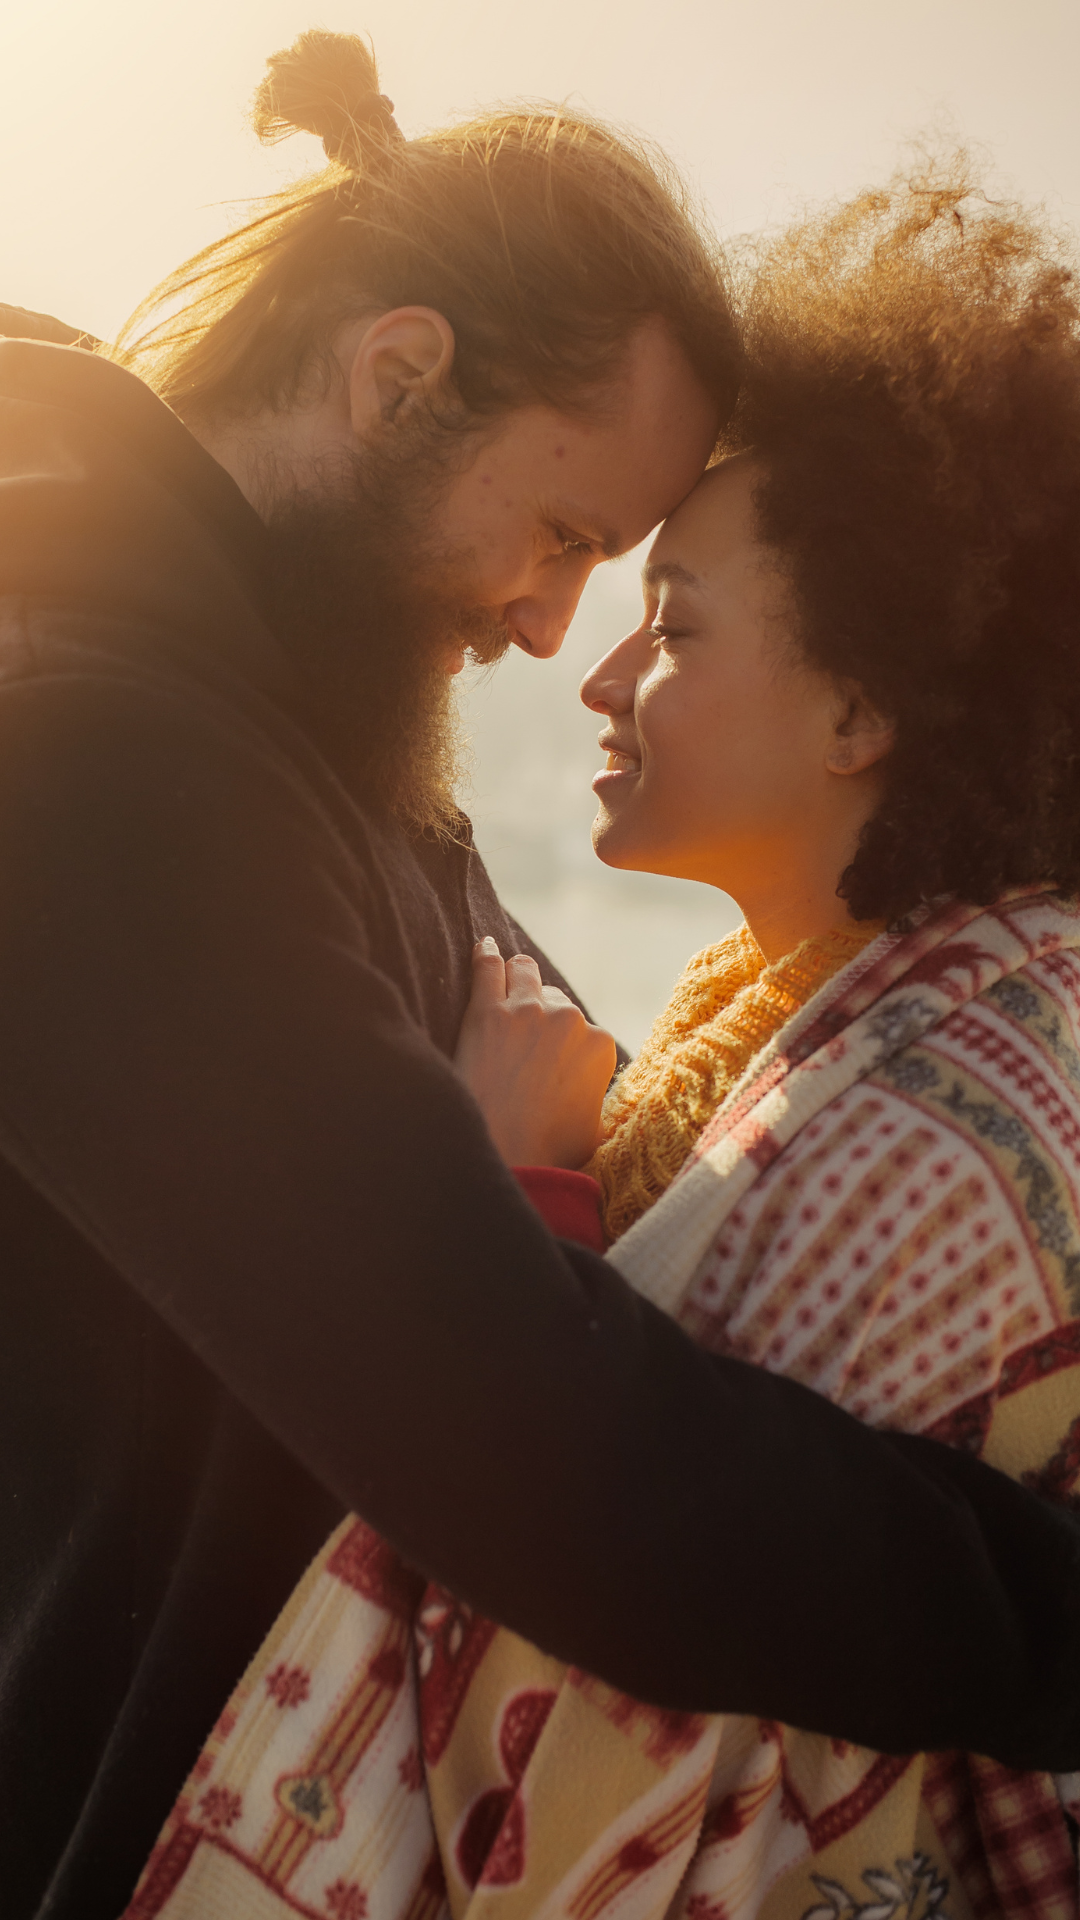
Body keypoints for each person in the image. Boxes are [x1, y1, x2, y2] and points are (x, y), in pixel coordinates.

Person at [1, 32, 1077, 1916]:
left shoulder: (318, 740)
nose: (545, 623)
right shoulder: (96, 759)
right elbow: (555, 1460)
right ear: (398, 376)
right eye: (570, 535)